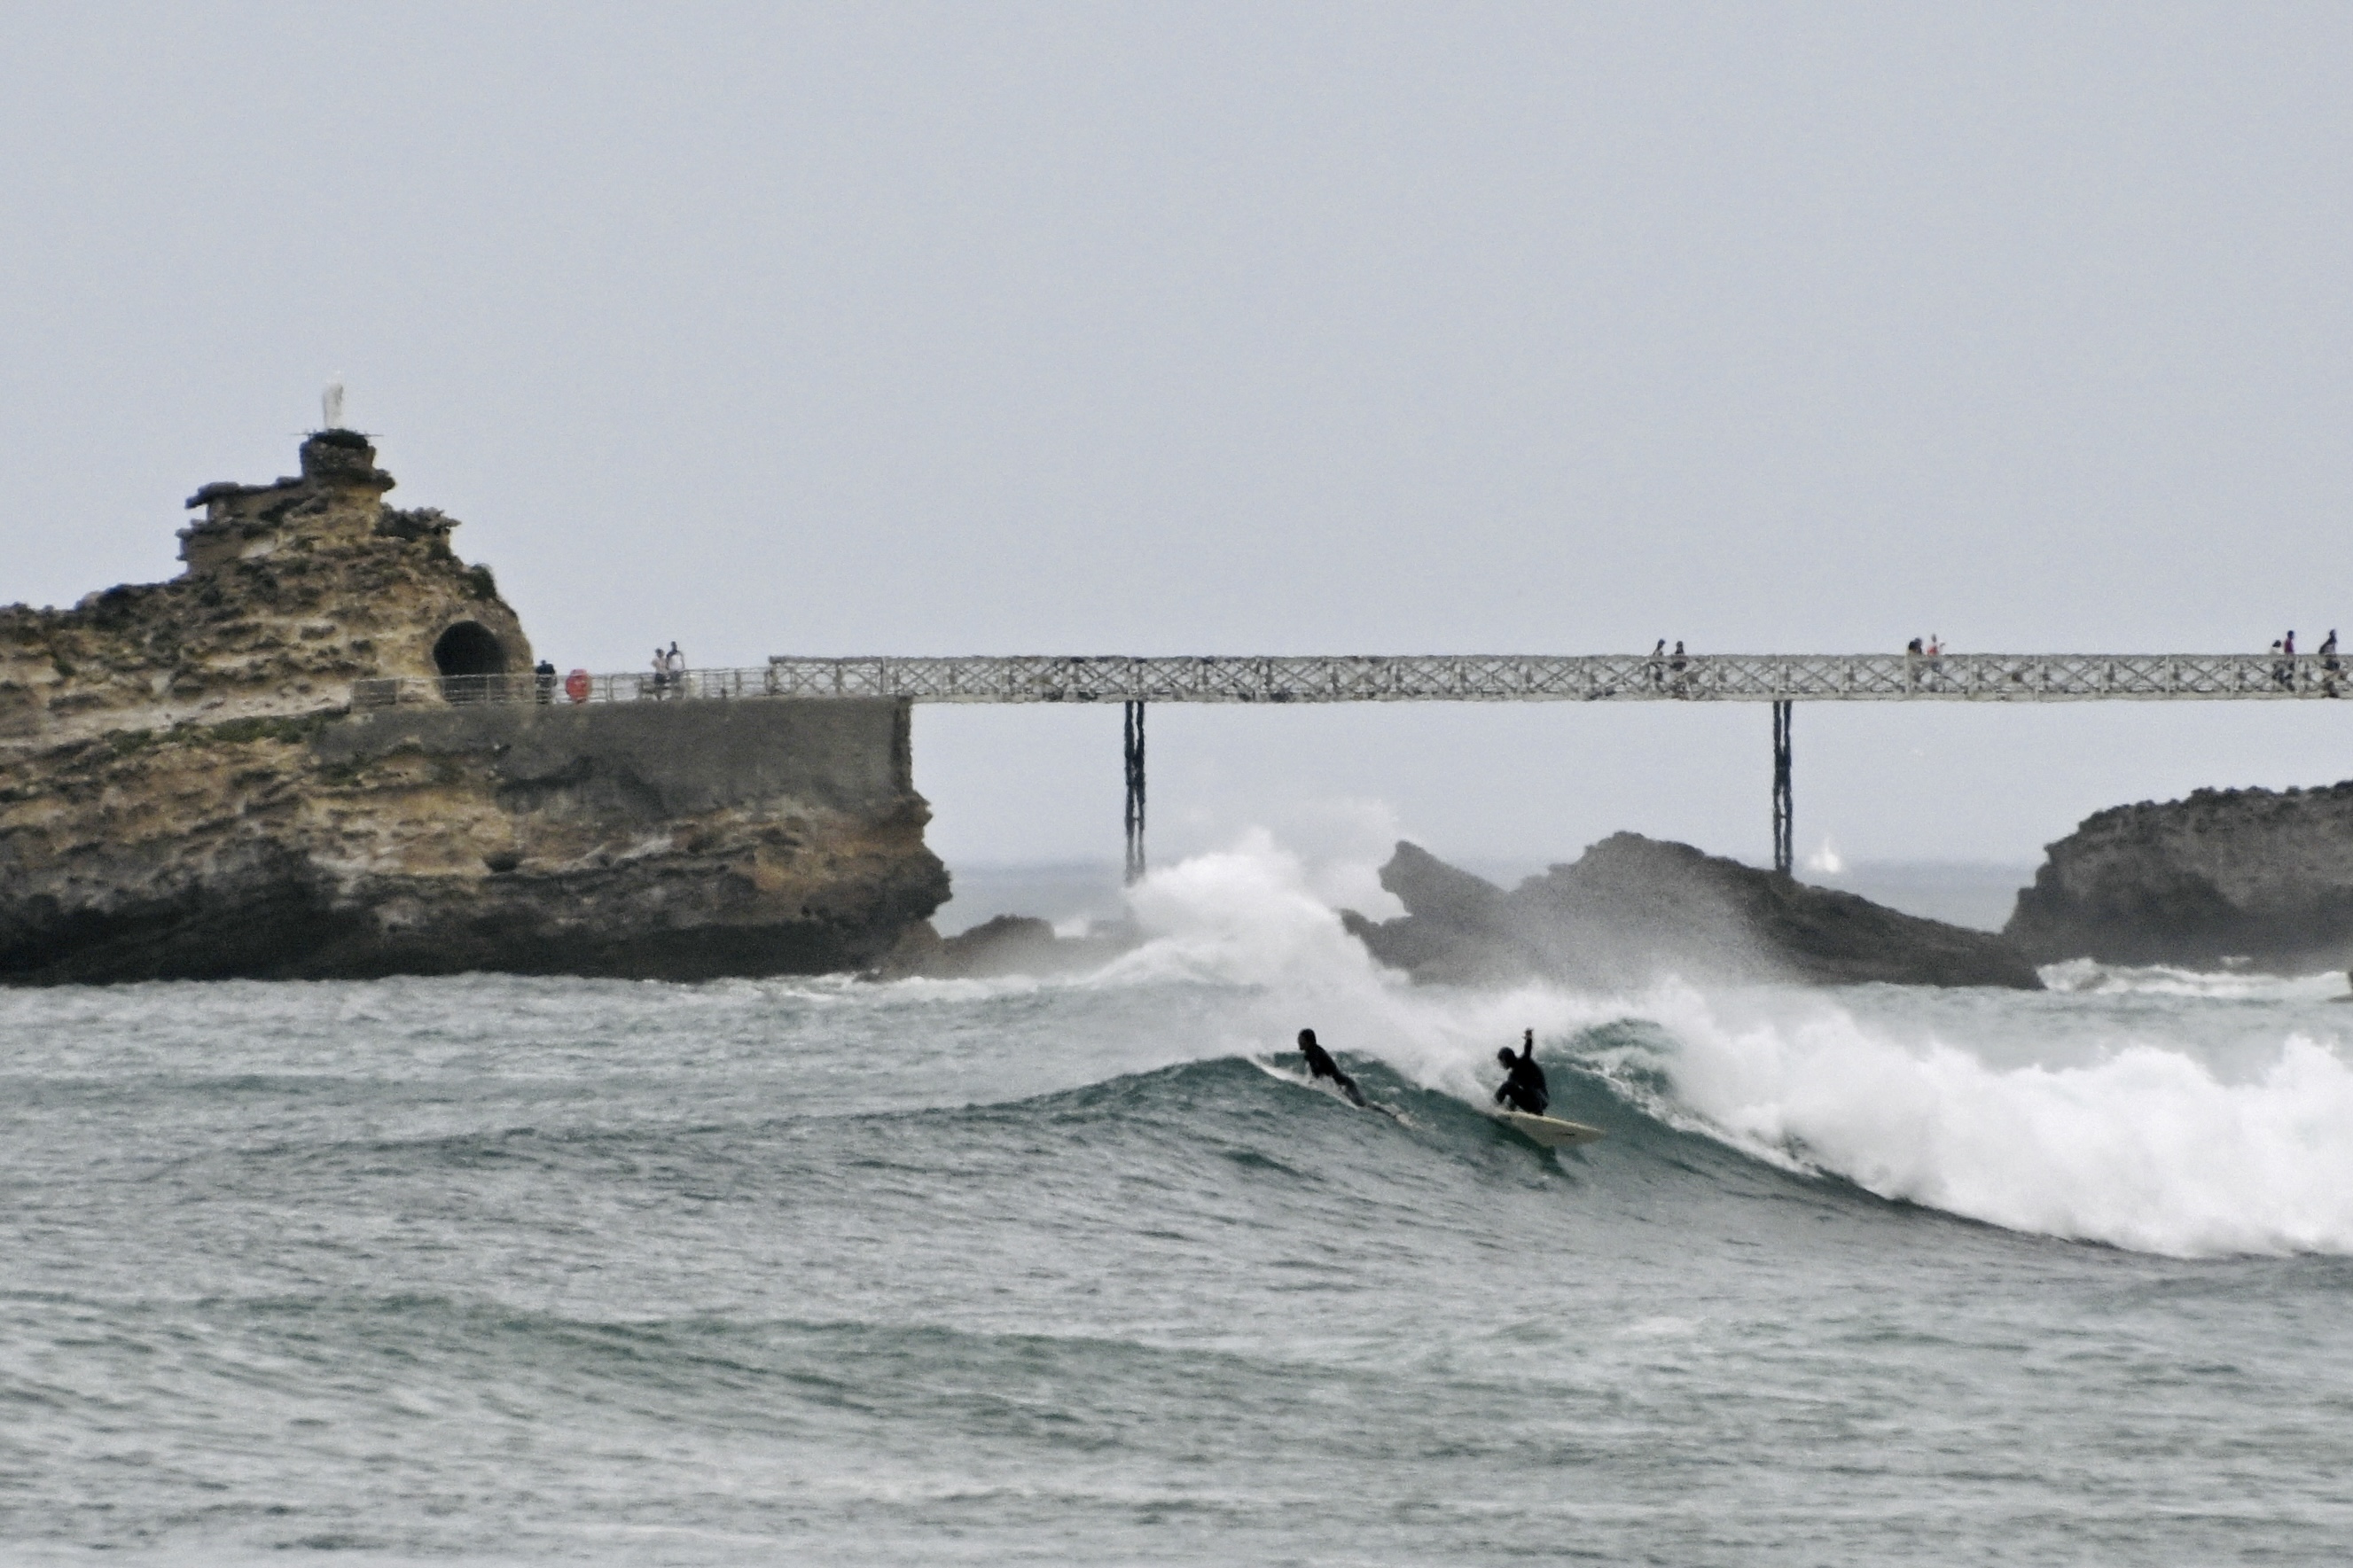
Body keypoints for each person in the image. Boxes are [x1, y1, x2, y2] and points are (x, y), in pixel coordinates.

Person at [1295, 1028, 1367, 1107]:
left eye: (1300, 1039)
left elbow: (1317, 1072)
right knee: (1363, 1105)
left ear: (1307, 1040)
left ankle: (1382, 1112)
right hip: (1344, 1083)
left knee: (1363, 1106)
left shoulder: (1313, 1052)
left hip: (1344, 1085)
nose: (1298, 1041)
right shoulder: (1314, 1050)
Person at [1493, 1029, 1549, 1116]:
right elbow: (1514, 1096)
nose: (1501, 1064)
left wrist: (1529, 1038)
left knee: (1507, 1086)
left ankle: (1493, 1106)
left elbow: (1527, 1051)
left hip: (1540, 1099)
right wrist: (1510, 1112)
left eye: (1501, 1061)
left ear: (1505, 1060)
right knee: (1510, 1086)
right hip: (1534, 1102)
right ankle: (1534, 1114)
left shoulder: (1524, 1061)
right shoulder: (1513, 1076)